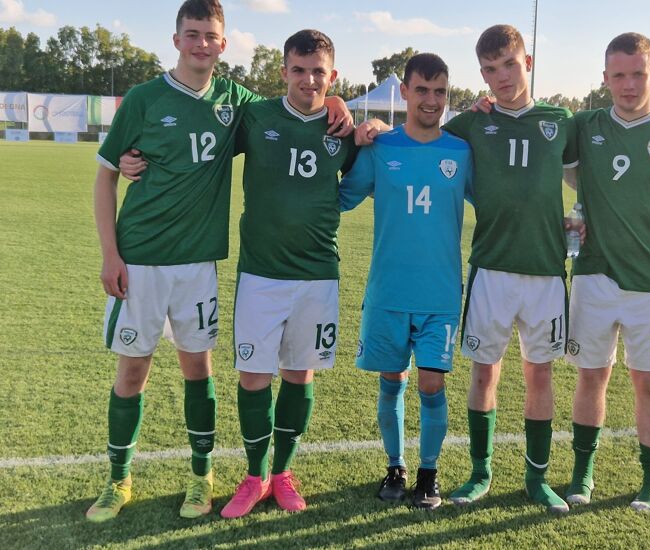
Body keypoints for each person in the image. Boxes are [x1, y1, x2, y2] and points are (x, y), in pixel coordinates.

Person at [88, 1, 350, 522]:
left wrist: (338, 101)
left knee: (198, 369)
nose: (201, 43)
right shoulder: (143, 99)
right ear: (177, 39)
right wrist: (110, 253)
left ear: (223, 44)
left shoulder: (238, 102)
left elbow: (307, 96)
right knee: (132, 370)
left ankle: (201, 476)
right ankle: (118, 479)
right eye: (192, 34)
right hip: (139, 259)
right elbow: (106, 175)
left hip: (199, 264)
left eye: (210, 35)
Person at [563, 32, 650, 513]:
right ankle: (582, 473)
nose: (628, 85)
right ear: (605, 78)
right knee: (592, 377)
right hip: (594, 275)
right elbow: (535, 144)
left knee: (649, 383)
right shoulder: (583, 125)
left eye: (638, 74)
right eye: (619, 75)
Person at [219, 29, 358, 519]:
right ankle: (254, 475)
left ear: (332, 75)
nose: (308, 79)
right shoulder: (256, 115)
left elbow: (374, 150)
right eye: (298, 69)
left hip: (318, 274)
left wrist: (368, 120)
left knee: (299, 373)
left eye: (319, 71)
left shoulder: (345, 130)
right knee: (254, 375)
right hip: (261, 272)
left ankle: (282, 473)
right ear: (283, 72)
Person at [443, 24, 578, 513]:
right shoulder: (472, 123)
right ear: (481, 74)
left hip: (545, 271)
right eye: (489, 69)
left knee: (540, 374)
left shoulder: (560, 121)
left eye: (509, 64)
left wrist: (578, 217)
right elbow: (420, 134)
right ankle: (480, 472)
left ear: (528, 62)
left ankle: (536, 479)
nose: (501, 76)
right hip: (492, 270)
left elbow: (593, 173)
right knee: (484, 372)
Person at [339, 53, 473, 510]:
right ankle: (395, 466)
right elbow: (340, 196)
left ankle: (429, 474)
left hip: (439, 294)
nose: (431, 100)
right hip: (389, 292)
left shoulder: (460, 151)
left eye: (440, 92)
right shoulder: (382, 148)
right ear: (405, 92)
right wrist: (348, 139)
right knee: (392, 378)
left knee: (432, 383)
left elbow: (500, 200)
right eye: (423, 90)